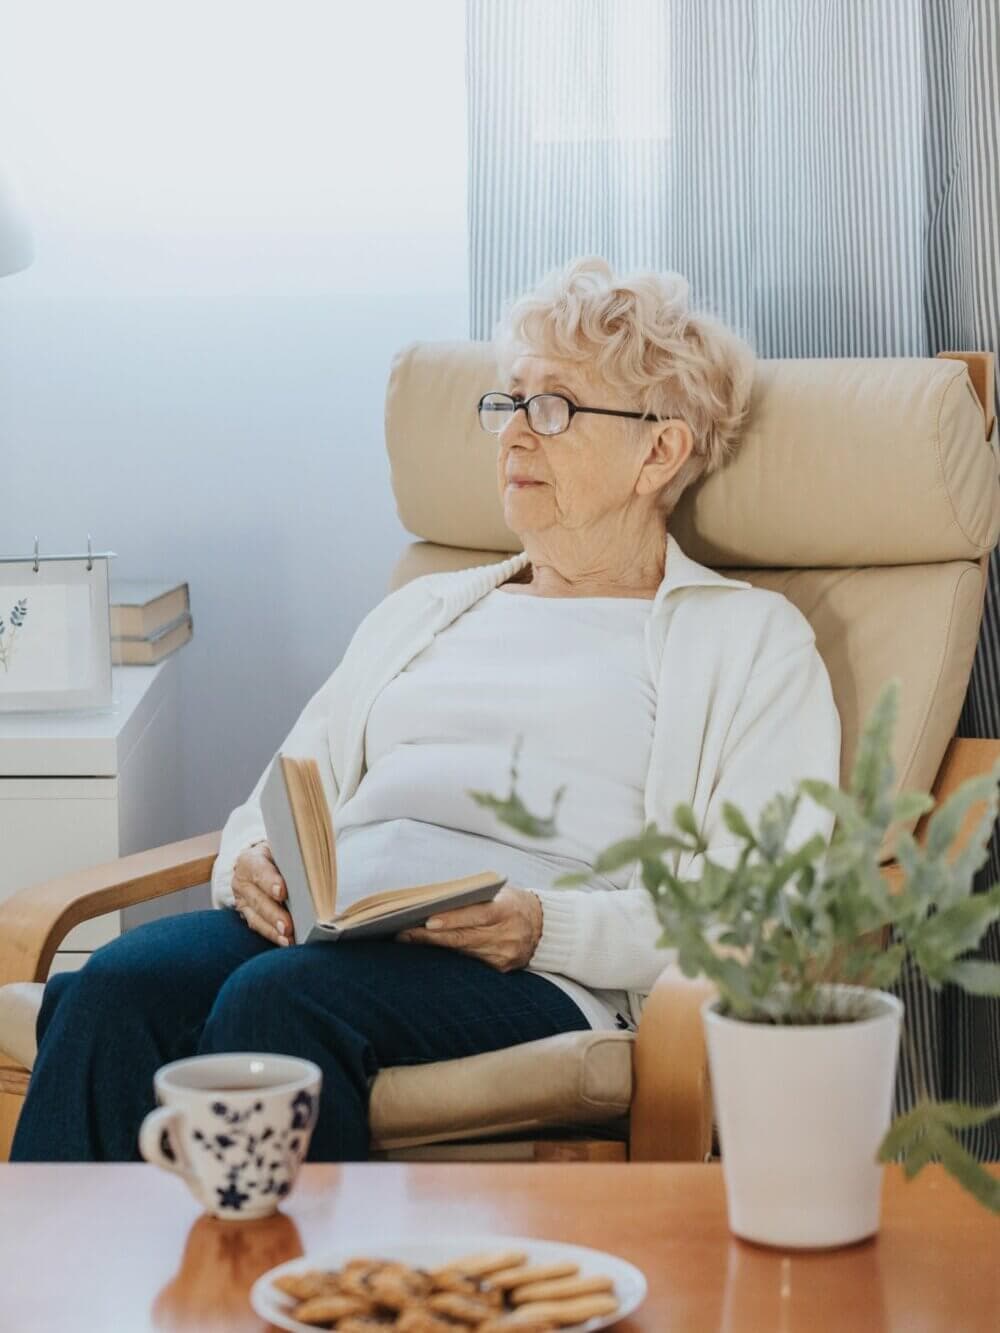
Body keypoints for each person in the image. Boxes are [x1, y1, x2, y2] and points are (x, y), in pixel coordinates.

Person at [12, 257, 840, 1162]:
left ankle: (293, 1301)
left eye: (554, 405)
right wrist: (248, 863)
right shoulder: (427, 608)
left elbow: (760, 900)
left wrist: (544, 924)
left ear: (659, 451)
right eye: (507, 402)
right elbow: (285, 788)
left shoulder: (749, 639)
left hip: (534, 966)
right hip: (340, 927)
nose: (515, 435)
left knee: (278, 1000)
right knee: (111, 986)